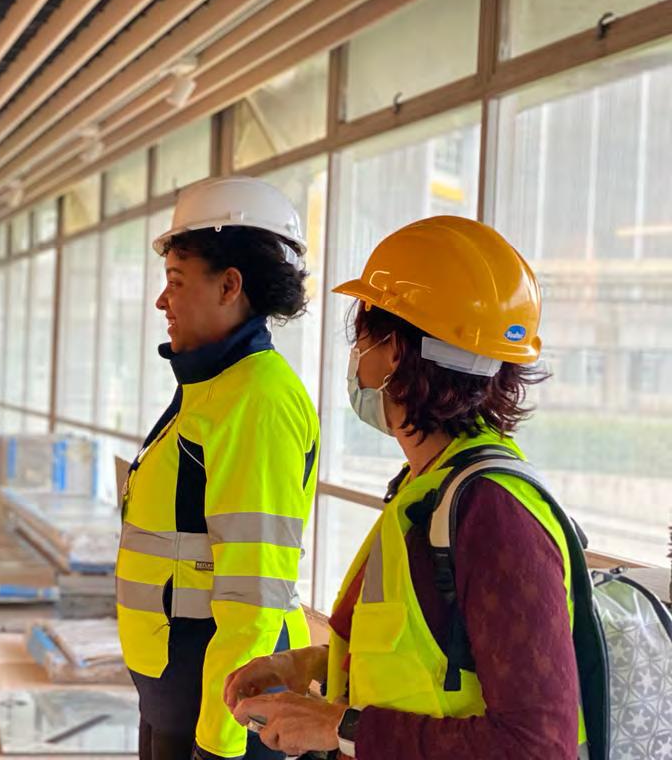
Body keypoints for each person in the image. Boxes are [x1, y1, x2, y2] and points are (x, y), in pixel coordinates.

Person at [224, 216, 583, 759]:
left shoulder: (493, 512)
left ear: (393, 351)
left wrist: (338, 727)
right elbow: (429, 663)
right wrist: (308, 663)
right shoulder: (431, 487)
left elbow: (538, 746)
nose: (355, 358)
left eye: (362, 336)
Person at [116, 176, 321, 760]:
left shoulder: (256, 400)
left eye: (176, 281)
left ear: (230, 285)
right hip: (180, 691)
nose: (162, 301)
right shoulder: (215, 387)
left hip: (221, 711)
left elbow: (252, 595)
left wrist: (220, 745)